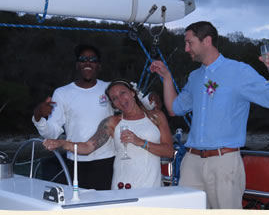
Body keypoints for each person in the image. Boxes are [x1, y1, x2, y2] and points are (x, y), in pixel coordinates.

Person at [150, 21, 269, 209]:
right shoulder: (195, 77)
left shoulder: (239, 71)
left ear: (207, 41)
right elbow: (175, 108)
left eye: (189, 43)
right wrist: (166, 77)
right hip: (191, 162)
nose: (186, 48)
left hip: (224, 163)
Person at [43, 79, 174, 189]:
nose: (121, 100)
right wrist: (62, 143)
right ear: (113, 104)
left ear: (133, 93)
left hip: (152, 186)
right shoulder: (112, 122)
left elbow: (168, 152)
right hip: (123, 186)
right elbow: (88, 147)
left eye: (123, 93)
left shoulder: (156, 117)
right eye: (115, 98)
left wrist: (140, 142)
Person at [32, 44, 115, 190]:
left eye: (93, 59)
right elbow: (52, 132)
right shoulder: (62, 93)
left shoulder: (110, 88)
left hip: (107, 161)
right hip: (75, 162)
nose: (88, 62)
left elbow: (134, 105)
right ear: (77, 65)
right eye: (83, 59)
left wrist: (151, 100)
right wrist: (38, 117)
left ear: (99, 66)